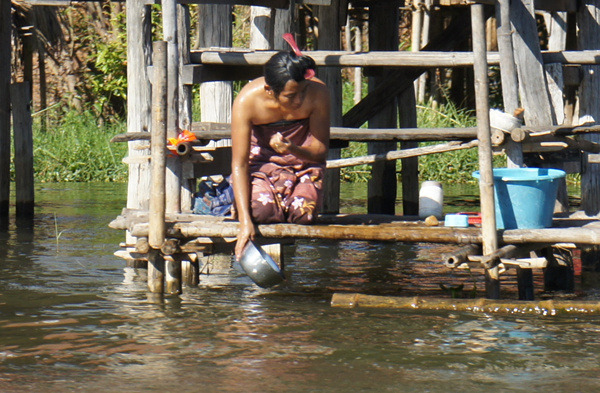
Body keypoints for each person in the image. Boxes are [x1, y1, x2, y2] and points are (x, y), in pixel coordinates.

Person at [231, 50, 330, 260]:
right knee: (260, 212)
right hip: (262, 166)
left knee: (303, 213)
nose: (299, 100)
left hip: (304, 163)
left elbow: (320, 153)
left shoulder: (318, 93)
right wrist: (245, 223)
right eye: (291, 96)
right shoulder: (247, 101)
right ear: (269, 90)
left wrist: (293, 148)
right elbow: (239, 164)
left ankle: (288, 202)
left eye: (303, 91)